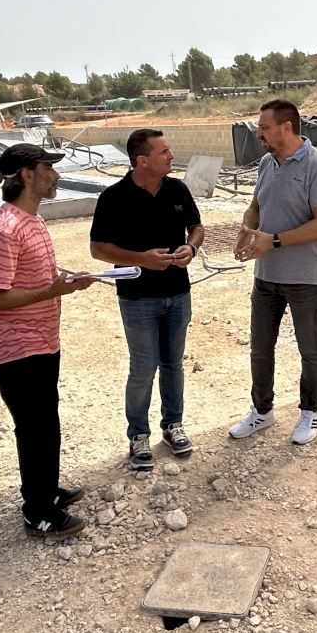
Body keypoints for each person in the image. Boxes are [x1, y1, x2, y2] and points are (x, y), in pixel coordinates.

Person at [0, 143, 95, 539]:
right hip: (15, 348)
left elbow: (32, 275)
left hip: (41, 341)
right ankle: (37, 512)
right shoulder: (3, 230)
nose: (55, 175)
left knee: (46, 421)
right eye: (48, 168)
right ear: (27, 174)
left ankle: (47, 490)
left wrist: (66, 280)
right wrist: (52, 291)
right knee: (33, 427)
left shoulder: (31, 220)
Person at [90, 129, 205, 471]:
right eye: (164, 151)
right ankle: (138, 435)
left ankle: (173, 426)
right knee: (143, 367)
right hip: (137, 298)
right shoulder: (114, 197)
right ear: (142, 160)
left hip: (178, 293)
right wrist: (140, 259)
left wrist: (191, 248)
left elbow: (197, 227)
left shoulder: (177, 189)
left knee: (173, 364)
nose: (171, 156)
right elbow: (98, 249)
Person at [232, 99, 317, 445]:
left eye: (264, 127)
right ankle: (262, 411)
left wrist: (273, 240)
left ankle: (310, 411)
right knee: (260, 347)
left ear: (286, 128)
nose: (259, 134)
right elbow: (255, 206)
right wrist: (247, 230)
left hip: (305, 278)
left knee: (309, 348)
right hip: (266, 277)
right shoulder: (267, 163)